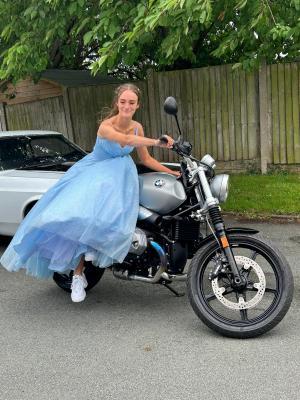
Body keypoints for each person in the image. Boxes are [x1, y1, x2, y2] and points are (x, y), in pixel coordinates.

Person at [0, 83, 178, 302]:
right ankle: (77, 276)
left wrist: (172, 172)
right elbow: (125, 140)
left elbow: (146, 159)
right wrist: (156, 141)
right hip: (96, 173)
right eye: (123, 102)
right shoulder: (105, 125)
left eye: (131, 102)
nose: (127, 106)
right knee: (84, 217)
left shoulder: (137, 127)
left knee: (121, 216)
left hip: (121, 176)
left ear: (137, 105)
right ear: (117, 103)